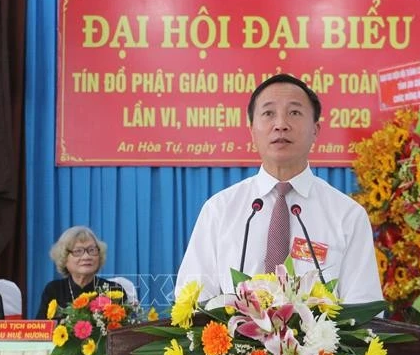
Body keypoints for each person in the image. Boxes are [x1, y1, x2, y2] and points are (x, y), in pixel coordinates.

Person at [175, 74, 383, 304]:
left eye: (294, 113)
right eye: (268, 113)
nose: (281, 124)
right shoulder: (219, 210)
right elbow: (193, 300)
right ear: (252, 131)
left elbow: (364, 308)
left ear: (316, 130)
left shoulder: (347, 215)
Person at [36, 226, 127, 319]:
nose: (86, 257)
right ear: (64, 258)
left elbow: (124, 331)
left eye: (92, 250)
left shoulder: (114, 290)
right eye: (78, 251)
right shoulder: (53, 290)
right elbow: (41, 331)